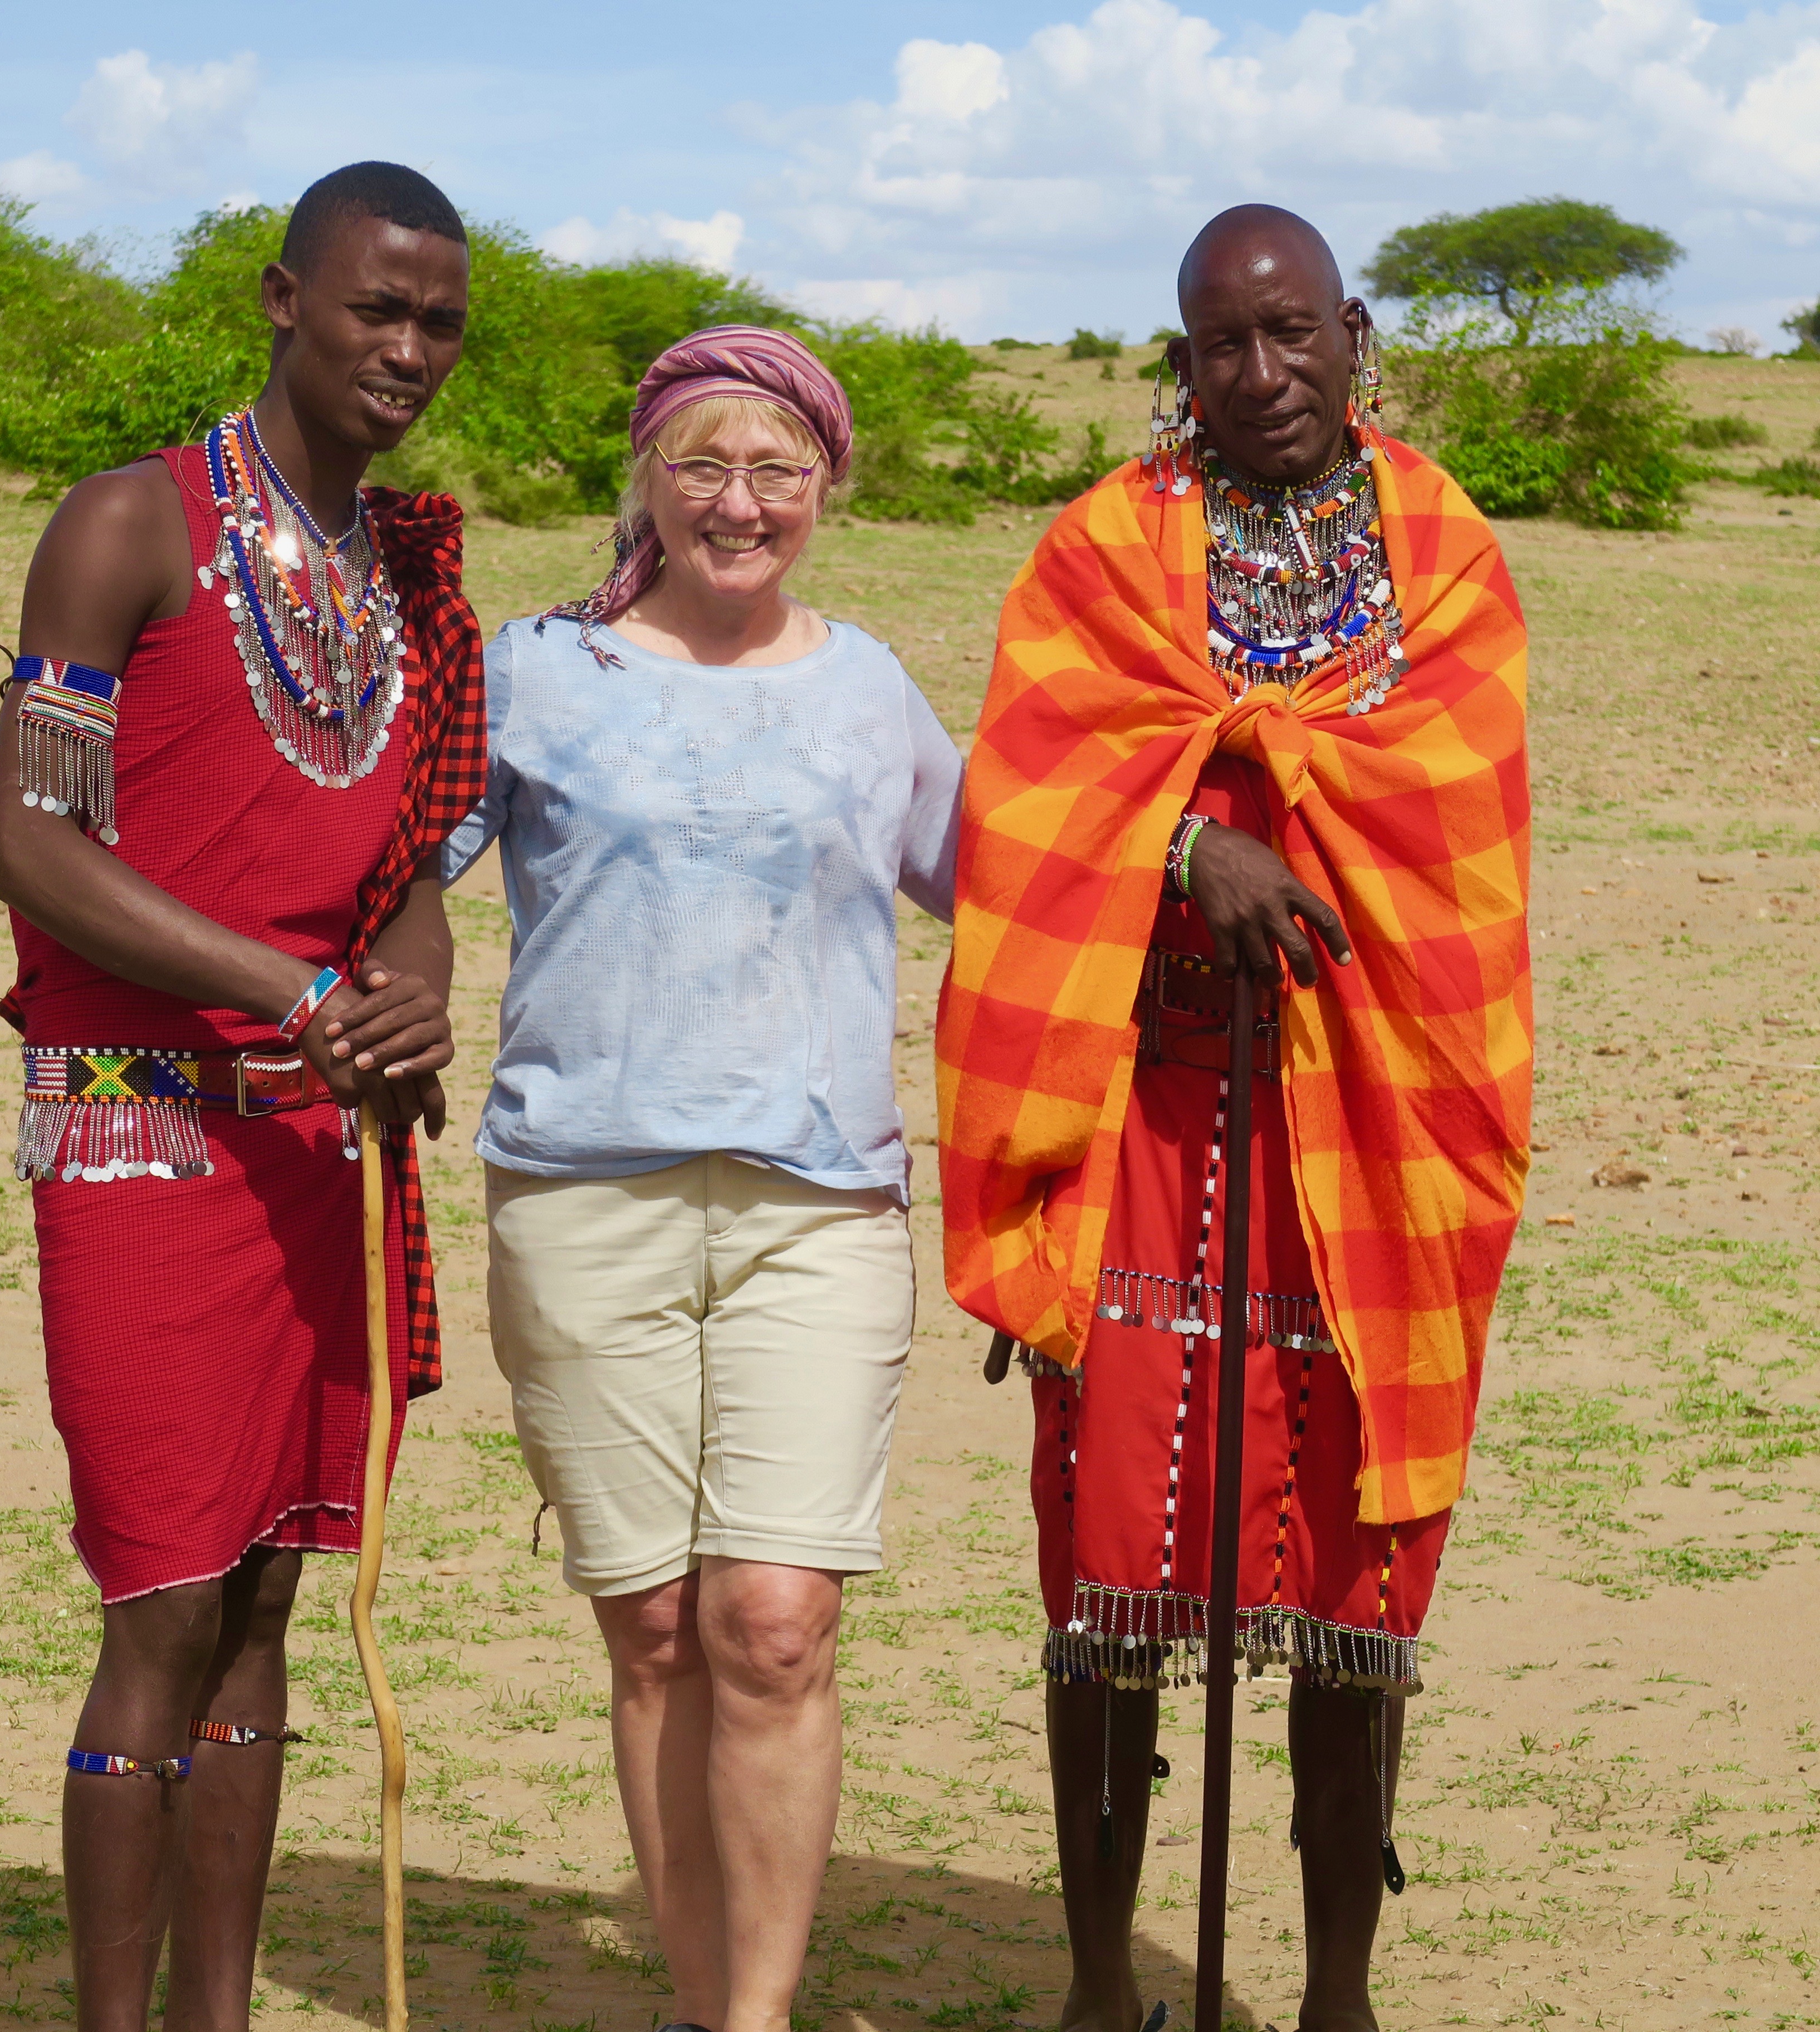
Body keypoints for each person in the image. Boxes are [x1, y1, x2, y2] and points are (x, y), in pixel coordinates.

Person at [937, 207, 1530, 2032]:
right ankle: (1104, 1983)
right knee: (1110, 1561)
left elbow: (1452, 824)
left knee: (1355, 1567)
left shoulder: (1444, 556)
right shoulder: (1109, 549)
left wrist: (1289, 814)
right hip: (1144, 1118)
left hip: (1371, 1113)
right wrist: (1191, 845)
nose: (1258, 377)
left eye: (1288, 336)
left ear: (1348, 332)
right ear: (1176, 360)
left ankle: (1336, 1994)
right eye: (1218, 345)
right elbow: (1024, 799)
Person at [0, 162, 486, 2031]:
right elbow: (29, 841)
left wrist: (411, 1003)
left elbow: (416, 852)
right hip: (139, 1123)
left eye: (437, 321)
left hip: (319, 1146)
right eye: (375, 309)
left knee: (273, 1594)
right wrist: (297, 989)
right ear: (285, 301)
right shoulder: (126, 524)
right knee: (164, 1601)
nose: (406, 350)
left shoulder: (414, 580)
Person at [441, 326, 961, 2032]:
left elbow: (1018, 883)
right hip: (581, 1198)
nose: (738, 505)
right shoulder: (531, 671)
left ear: (826, 488)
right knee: (657, 1630)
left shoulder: (869, 688)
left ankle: (755, 2018)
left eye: (777, 471)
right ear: (645, 484)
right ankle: (691, 2004)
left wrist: (1207, 839)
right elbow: (377, 868)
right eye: (703, 467)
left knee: (775, 1619)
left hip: (817, 1209)